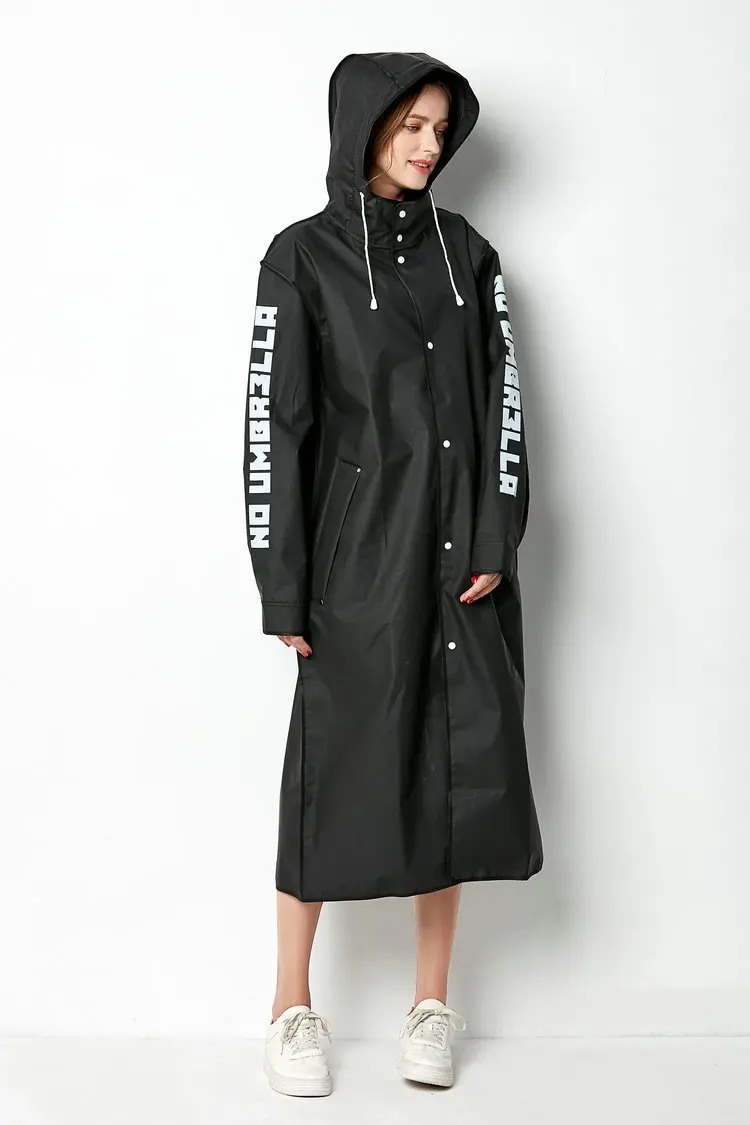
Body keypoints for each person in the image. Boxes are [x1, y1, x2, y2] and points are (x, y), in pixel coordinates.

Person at [243, 51, 543, 1097]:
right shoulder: (302, 258)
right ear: (363, 125)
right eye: (410, 123)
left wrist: (497, 535)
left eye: (440, 128)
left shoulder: (469, 255)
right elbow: (274, 430)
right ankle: (290, 1007)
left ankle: (431, 1004)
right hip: (357, 563)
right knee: (328, 773)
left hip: (461, 561)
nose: (427, 144)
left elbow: (505, 402)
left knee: (453, 766)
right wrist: (283, 582)